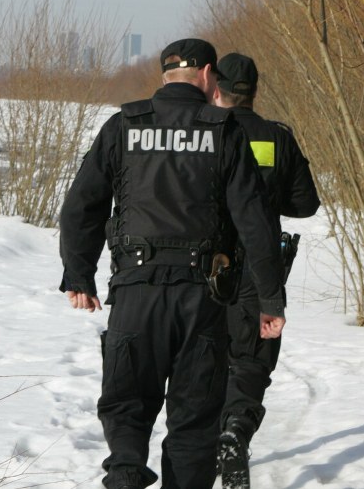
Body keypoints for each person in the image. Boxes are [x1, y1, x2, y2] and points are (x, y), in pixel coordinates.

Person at [58, 38, 288, 489]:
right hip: (200, 300)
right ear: (206, 76)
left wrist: (79, 275)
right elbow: (255, 222)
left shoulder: (124, 124)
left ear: (166, 75)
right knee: (194, 422)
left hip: (135, 293)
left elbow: (80, 207)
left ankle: (125, 471)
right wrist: (269, 298)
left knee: (127, 403)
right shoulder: (223, 130)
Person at [211, 52, 321, 483]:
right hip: (260, 271)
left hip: (206, 268)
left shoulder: (204, 132)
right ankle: (235, 429)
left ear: (216, 87)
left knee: (205, 357)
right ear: (255, 92)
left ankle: (203, 443)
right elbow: (306, 203)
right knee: (252, 359)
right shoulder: (276, 137)